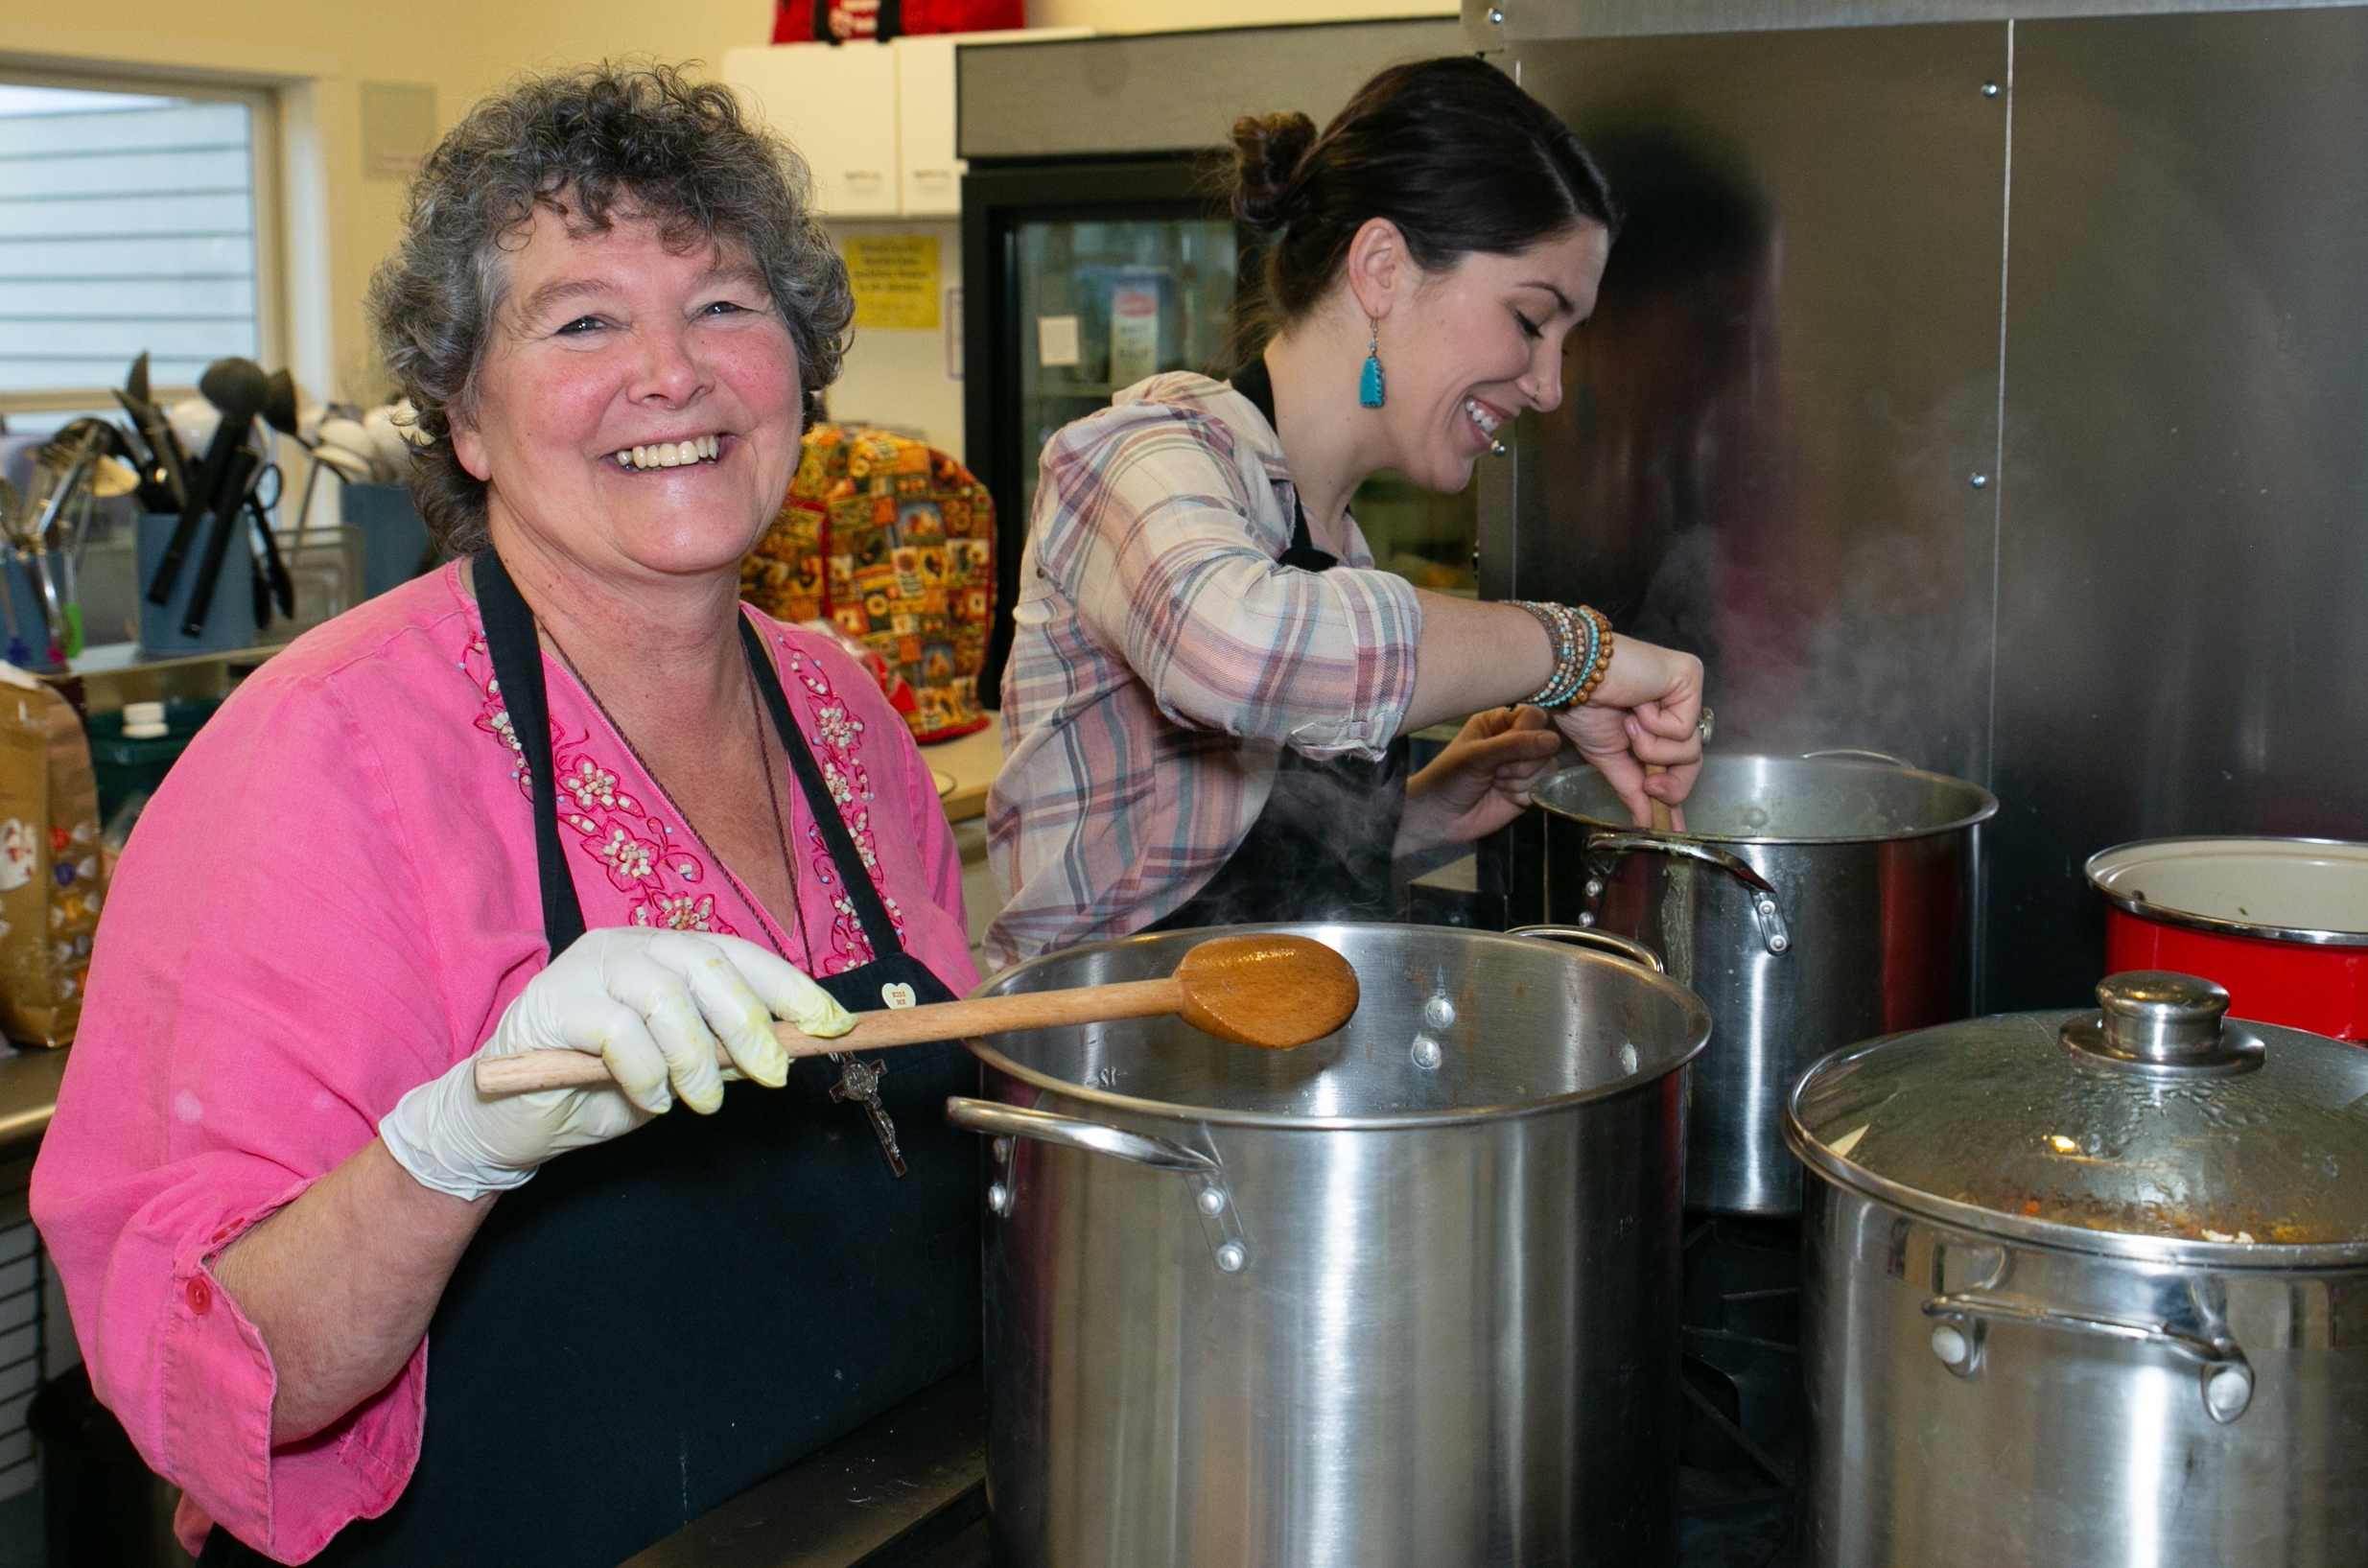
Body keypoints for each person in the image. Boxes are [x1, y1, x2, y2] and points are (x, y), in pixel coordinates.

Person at [31, 66, 979, 1566]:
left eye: (724, 303)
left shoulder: (841, 709)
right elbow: (216, 1366)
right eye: (583, 319)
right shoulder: (320, 752)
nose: (671, 374)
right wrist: (451, 1145)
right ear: (465, 416)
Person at [987, 58, 1709, 965]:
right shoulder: (1141, 452)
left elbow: (1229, 874)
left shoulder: (1340, 553)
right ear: (1381, 269)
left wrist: (1418, 815)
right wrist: (1572, 652)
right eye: (1531, 320)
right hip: (1108, 1084)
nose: (1549, 385)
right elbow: (1238, 650)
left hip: (1268, 1087)